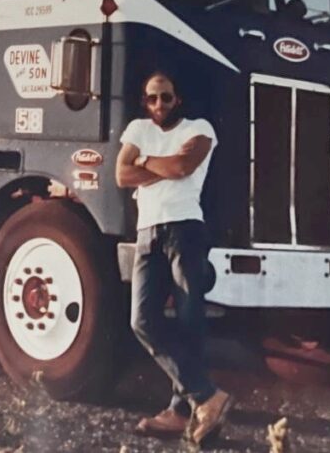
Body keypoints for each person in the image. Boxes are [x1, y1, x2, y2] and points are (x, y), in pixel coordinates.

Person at [115, 70, 232, 443]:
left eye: (166, 97)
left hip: (186, 232)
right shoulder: (137, 128)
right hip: (148, 233)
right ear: (144, 101)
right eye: (152, 98)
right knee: (141, 320)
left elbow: (183, 167)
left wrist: (145, 162)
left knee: (189, 323)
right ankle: (208, 397)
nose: (159, 104)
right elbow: (121, 173)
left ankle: (182, 412)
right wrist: (158, 162)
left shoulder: (199, 129)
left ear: (177, 98)